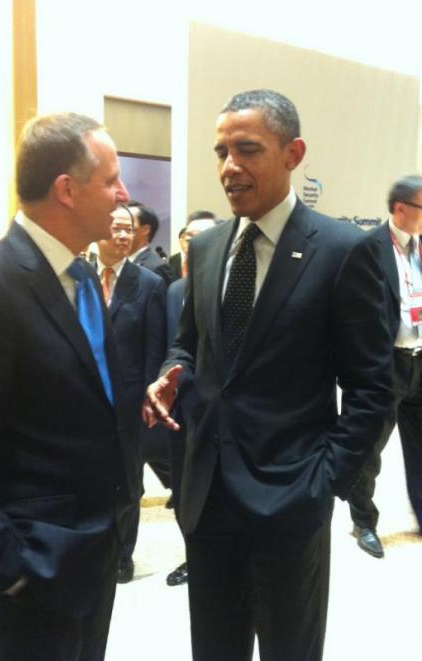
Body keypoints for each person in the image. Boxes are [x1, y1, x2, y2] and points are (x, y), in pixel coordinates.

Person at [143, 89, 392, 661]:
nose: (230, 167)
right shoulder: (205, 249)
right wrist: (172, 371)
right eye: (221, 151)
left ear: (293, 153)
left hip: (291, 496)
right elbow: (189, 342)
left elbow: (373, 387)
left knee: (290, 648)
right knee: (215, 647)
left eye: (247, 149)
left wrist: (323, 483)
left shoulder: (342, 250)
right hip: (207, 497)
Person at [0, 112, 137, 661]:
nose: (124, 193)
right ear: (67, 190)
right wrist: (7, 574)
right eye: (112, 179)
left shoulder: (83, 277)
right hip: (33, 575)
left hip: (92, 557)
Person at [348, 174, 422, 558]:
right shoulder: (368, 248)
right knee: (369, 449)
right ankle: (363, 521)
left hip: (420, 360)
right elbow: (357, 317)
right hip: (386, 364)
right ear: (401, 209)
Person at [96, 204, 166, 583]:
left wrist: (148, 400)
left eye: (129, 229)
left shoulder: (148, 285)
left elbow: (154, 350)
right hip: (84, 403)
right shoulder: (78, 278)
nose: (123, 236)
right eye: (115, 228)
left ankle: (124, 553)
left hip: (128, 406)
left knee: (128, 482)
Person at [165, 212, 217, 587]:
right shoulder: (172, 291)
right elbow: (172, 345)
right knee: (182, 491)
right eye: (189, 236)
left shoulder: (226, 288)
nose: (194, 243)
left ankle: (208, 557)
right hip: (177, 408)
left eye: (203, 237)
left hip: (213, 411)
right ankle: (192, 554)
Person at [128, 201, 174, 286]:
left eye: (128, 224)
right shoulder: (117, 264)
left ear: (145, 230)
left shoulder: (156, 267)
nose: (122, 231)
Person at [169, 210, 216, 281]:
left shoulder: (225, 275)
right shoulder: (176, 289)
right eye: (189, 236)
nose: (193, 241)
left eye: (202, 236)